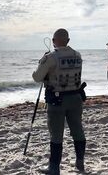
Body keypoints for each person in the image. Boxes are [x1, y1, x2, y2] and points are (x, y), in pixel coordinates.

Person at [32, 28, 86, 175]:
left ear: (54, 41)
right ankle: (80, 162)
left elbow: (37, 77)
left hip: (57, 100)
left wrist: (41, 64)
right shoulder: (77, 55)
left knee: (56, 134)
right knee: (77, 130)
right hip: (75, 97)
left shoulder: (51, 57)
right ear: (68, 41)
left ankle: (54, 168)